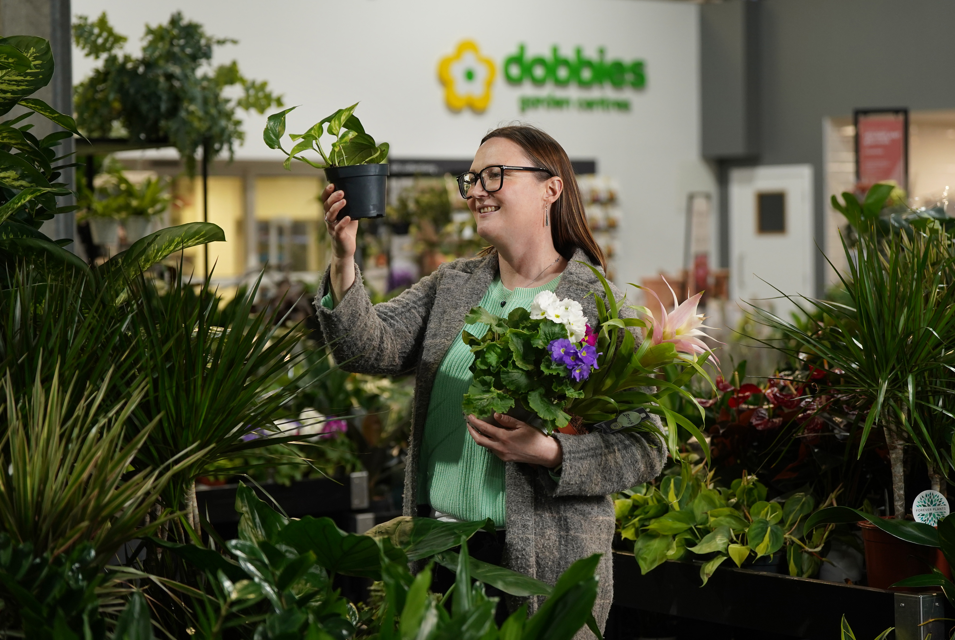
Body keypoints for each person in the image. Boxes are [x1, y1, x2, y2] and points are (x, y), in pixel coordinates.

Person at [314, 125, 666, 638]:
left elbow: (646, 443)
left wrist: (552, 455)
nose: (476, 190)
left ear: (551, 188)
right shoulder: (454, 285)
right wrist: (344, 258)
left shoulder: (601, 305)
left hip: (544, 564)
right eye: (472, 179)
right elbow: (367, 347)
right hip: (438, 548)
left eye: (494, 175)